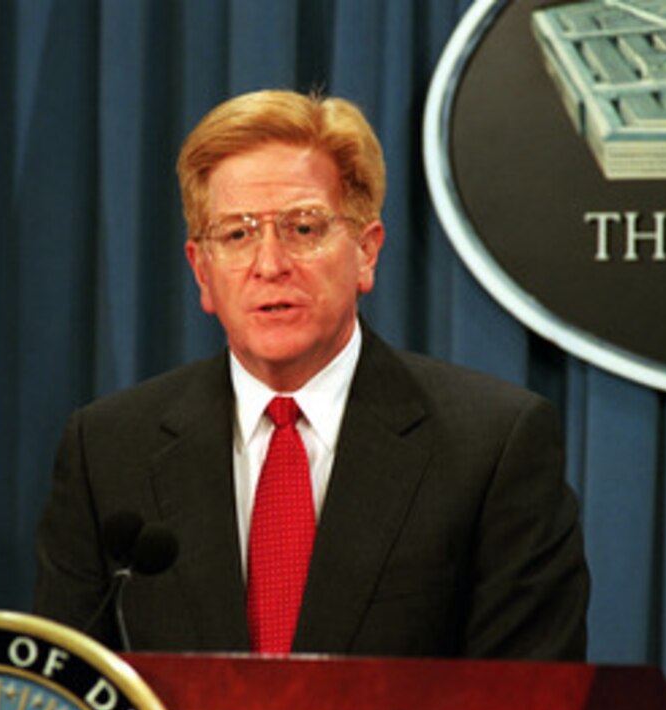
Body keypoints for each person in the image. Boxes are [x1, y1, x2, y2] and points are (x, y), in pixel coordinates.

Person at [34, 89, 589, 660]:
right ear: (202, 271)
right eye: (237, 234)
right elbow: (66, 697)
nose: (270, 265)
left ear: (366, 252)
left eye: (303, 228)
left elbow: (530, 702)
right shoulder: (107, 452)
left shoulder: (492, 448)